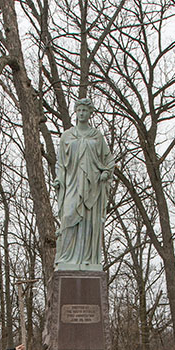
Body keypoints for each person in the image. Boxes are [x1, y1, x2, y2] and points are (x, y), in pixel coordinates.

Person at [52, 97, 115, 271]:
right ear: (75, 112)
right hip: (71, 184)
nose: (81, 113)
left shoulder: (97, 136)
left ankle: (87, 259)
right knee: (68, 217)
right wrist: (58, 179)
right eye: (79, 110)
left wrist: (106, 173)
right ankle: (66, 258)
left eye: (85, 110)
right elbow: (60, 163)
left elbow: (109, 160)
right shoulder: (67, 136)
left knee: (88, 223)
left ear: (90, 113)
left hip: (92, 186)